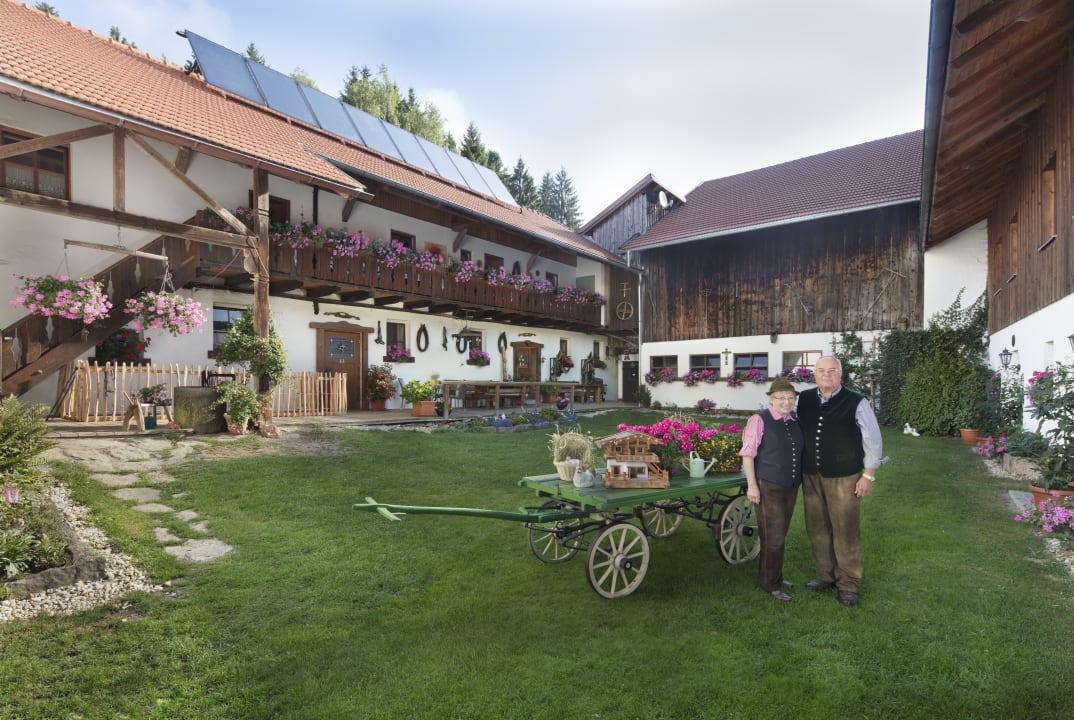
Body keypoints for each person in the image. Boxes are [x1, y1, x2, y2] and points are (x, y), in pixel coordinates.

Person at [796, 355, 882, 607]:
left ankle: (848, 583)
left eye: (832, 370)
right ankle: (825, 576)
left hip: (845, 477)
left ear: (840, 374)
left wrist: (868, 475)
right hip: (811, 475)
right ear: (814, 374)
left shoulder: (856, 401)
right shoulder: (804, 399)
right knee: (817, 529)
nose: (826, 374)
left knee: (846, 531)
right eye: (821, 370)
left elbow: (872, 440)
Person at [740, 377, 803, 602]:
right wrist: (752, 486)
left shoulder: (793, 421)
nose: (786, 402)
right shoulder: (759, 419)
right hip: (769, 486)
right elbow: (748, 454)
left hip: (790, 486)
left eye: (790, 398)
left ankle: (775, 576)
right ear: (771, 399)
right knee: (773, 538)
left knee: (779, 534)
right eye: (781, 398)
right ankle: (771, 584)